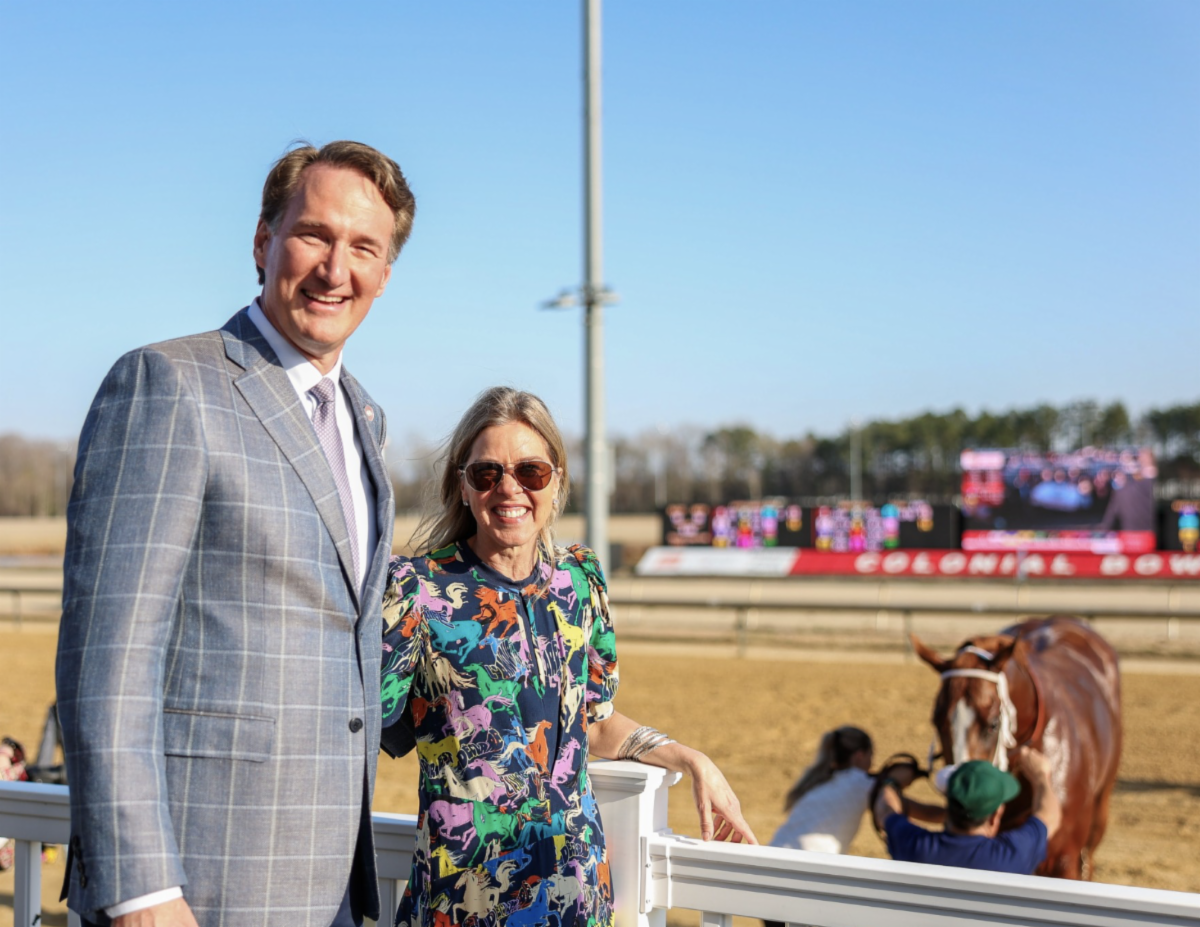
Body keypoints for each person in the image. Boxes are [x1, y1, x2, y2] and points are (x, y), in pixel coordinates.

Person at [55, 141, 415, 927]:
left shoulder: (367, 418)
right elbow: (108, 657)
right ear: (263, 241)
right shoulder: (167, 384)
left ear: (385, 274)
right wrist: (141, 890)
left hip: (330, 888)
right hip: (198, 886)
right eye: (314, 234)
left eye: (364, 247)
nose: (336, 269)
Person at [379, 387, 756, 926]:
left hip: (575, 893)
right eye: (486, 473)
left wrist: (688, 758)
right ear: (462, 486)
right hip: (464, 900)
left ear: (556, 482)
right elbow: (359, 730)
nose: (509, 488)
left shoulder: (580, 579)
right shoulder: (416, 589)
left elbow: (593, 722)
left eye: (530, 472)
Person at [873, 747, 1061, 875]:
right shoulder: (1013, 854)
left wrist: (892, 782)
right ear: (995, 818)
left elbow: (884, 810)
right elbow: (1049, 816)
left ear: (950, 809)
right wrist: (1041, 775)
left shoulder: (915, 846)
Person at [769, 726, 874, 856]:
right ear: (859, 756)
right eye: (871, 756)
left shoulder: (819, 780)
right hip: (810, 861)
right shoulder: (861, 782)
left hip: (775, 853)